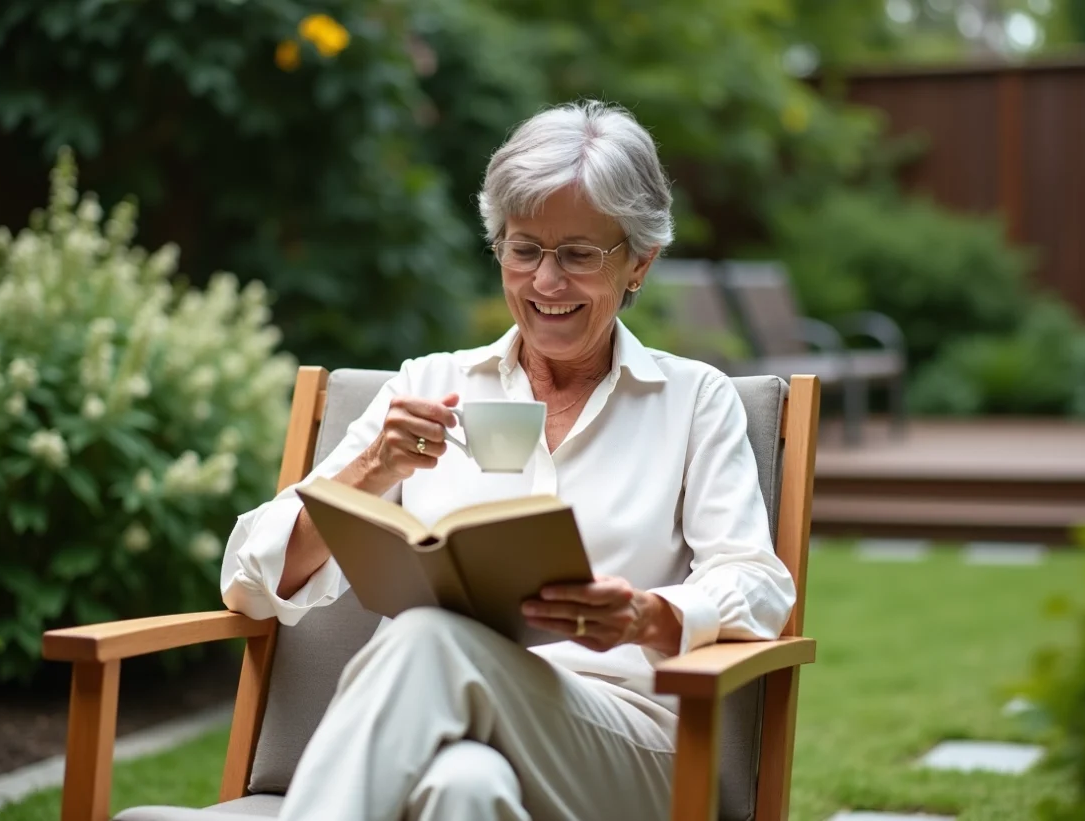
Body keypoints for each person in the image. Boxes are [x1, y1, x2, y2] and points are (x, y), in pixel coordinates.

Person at [220, 100, 796, 821]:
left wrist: (650, 615)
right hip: (451, 734)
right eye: (524, 249)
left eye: (579, 254)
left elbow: (760, 583)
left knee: (425, 636)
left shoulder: (692, 399)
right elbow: (248, 581)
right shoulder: (427, 385)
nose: (545, 283)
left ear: (640, 262)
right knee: (465, 787)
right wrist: (371, 469)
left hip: (627, 748)